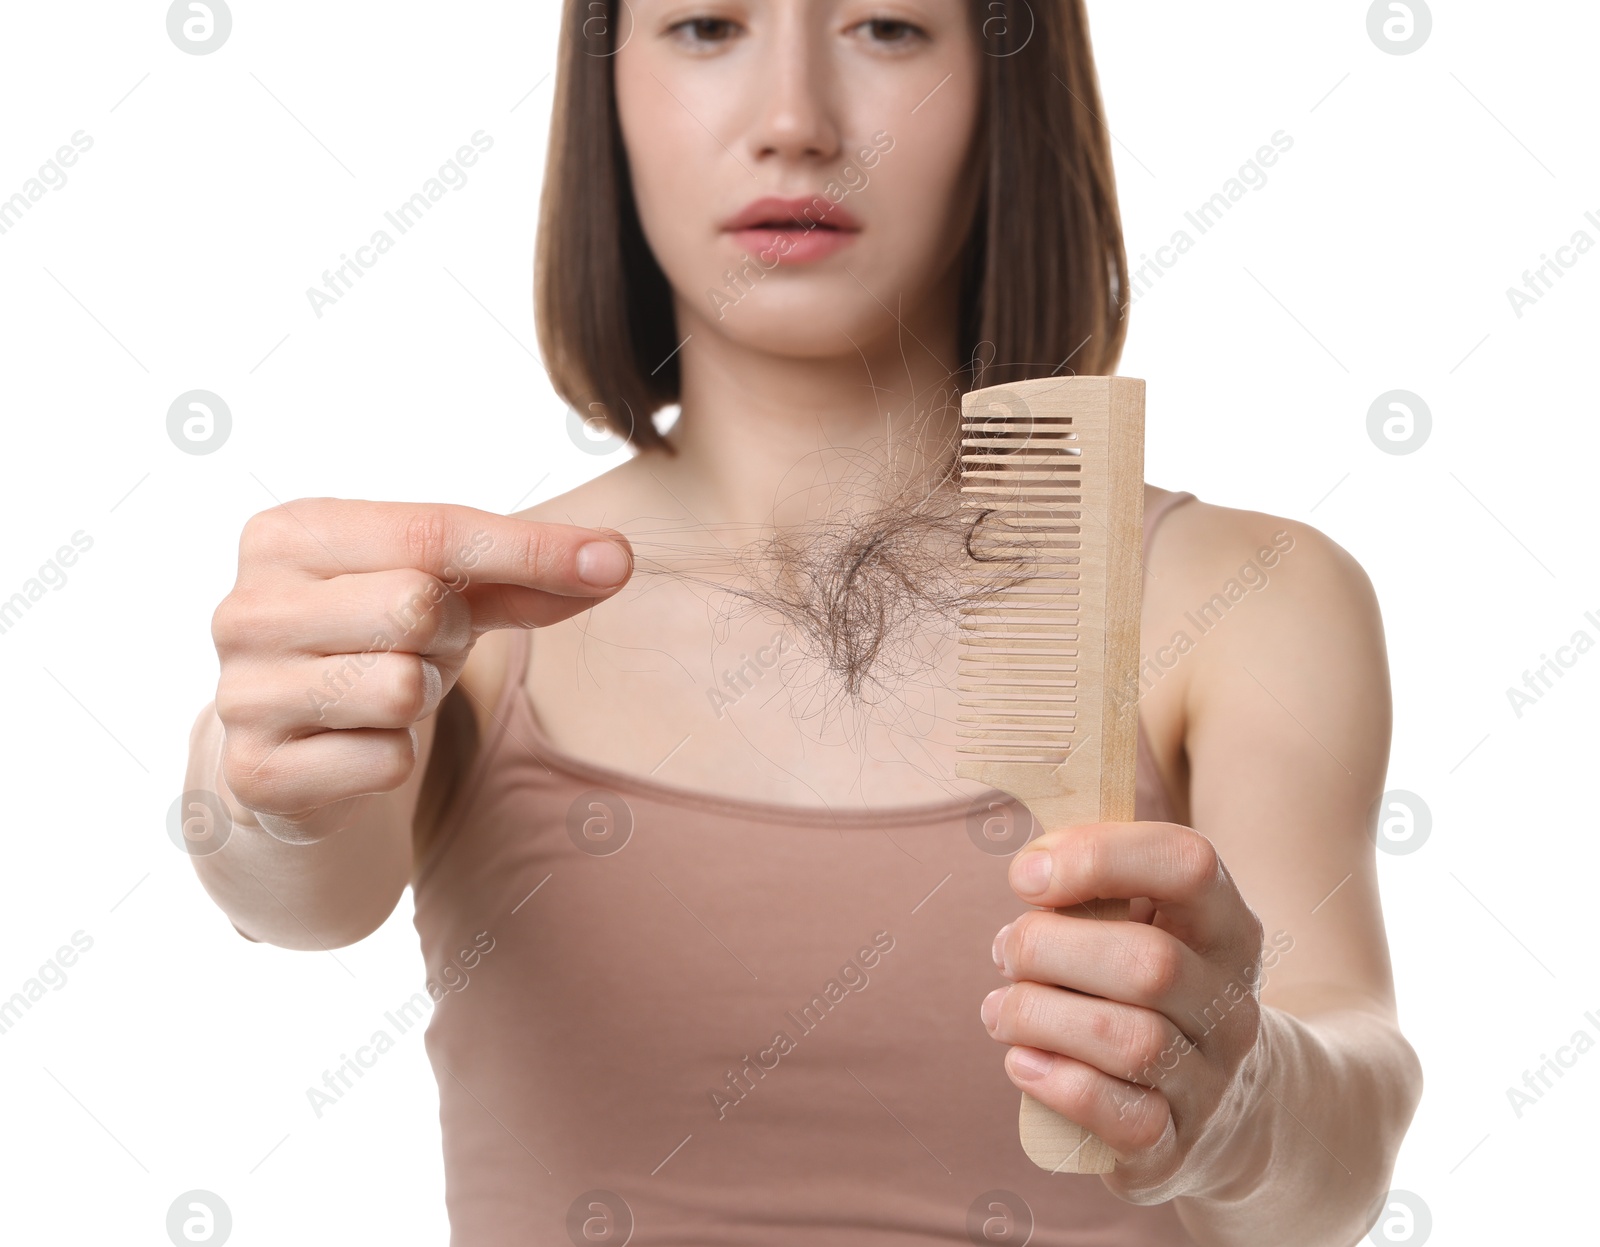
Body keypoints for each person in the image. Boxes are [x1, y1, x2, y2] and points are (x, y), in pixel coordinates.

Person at [183, 0, 1422, 1242]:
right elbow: (299, 892)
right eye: (707, 25)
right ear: (603, 93)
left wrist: (1246, 1095)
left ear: (1009, 86)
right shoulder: (466, 620)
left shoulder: (1250, 598)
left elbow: (1342, 1145)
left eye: (886, 26)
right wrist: (257, 786)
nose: (794, 124)